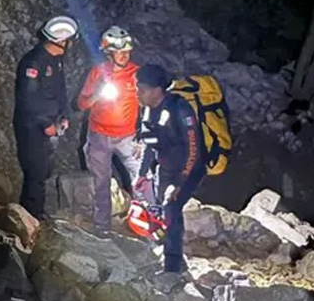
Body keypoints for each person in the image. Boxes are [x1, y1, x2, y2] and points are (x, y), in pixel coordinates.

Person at [76, 26, 144, 234]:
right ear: (109, 52)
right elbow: (81, 104)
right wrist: (97, 94)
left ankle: (144, 223)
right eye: (120, 52)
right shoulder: (97, 73)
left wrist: (144, 137)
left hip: (128, 137)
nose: (125, 55)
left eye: (127, 52)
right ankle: (102, 227)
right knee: (101, 181)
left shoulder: (137, 73)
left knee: (142, 179)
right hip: (99, 136)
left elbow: (149, 106)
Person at [136, 63, 202, 273]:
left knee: (171, 208)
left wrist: (179, 183)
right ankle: (172, 254)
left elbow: (194, 149)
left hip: (189, 169)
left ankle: (172, 269)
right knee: (162, 210)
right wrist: (142, 173)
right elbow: (149, 143)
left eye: (142, 89)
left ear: (157, 90)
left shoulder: (180, 109)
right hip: (164, 167)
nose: (138, 93)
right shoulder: (147, 110)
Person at [13, 15, 78, 218]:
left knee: (45, 170)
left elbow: (60, 91)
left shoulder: (56, 61)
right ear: (59, 41)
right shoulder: (33, 62)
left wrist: (64, 115)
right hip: (32, 127)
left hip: (51, 125)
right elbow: (28, 98)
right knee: (35, 174)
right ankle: (31, 217)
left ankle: (35, 214)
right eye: (68, 40)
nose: (70, 44)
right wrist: (45, 123)